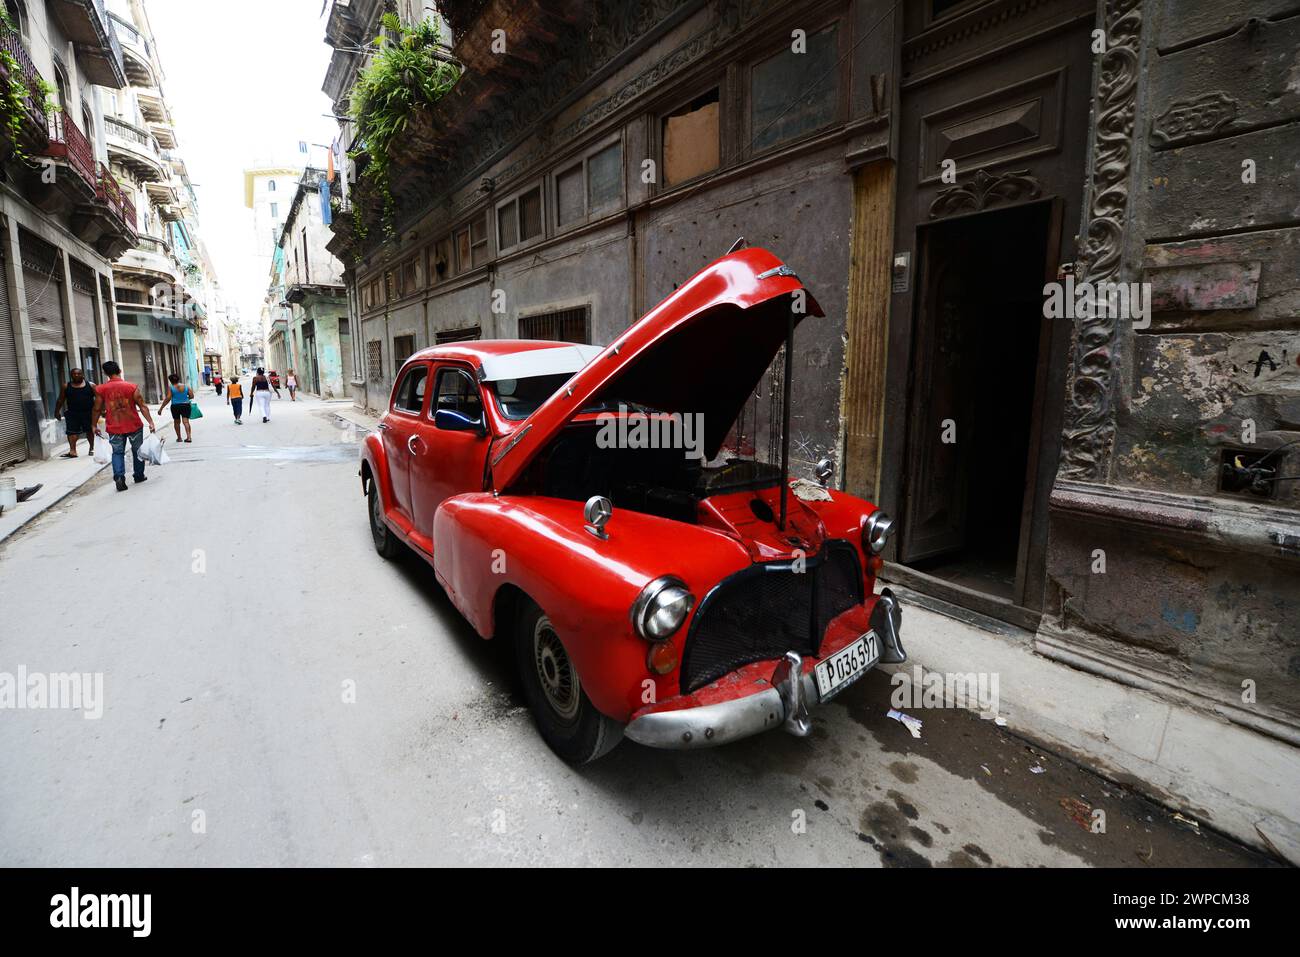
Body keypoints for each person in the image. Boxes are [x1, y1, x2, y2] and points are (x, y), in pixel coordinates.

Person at [91, 360, 156, 492]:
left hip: (114, 426)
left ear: (105, 373)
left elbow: (96, 409)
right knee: (137, 450)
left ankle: (119, 477)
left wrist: (94, 425)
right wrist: (150, 422)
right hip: (134, 425)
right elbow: (142, 406)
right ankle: (138, 475)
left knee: (117, 452)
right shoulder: (132, 387)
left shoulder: (101, 389)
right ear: (119, 371)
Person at [53, 368, 97, 458]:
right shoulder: (66, 386)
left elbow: (99, 398)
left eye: (78, 374)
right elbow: (61, 399)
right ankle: (73, 451)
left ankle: (92, 447)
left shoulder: (91, 385)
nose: (76, 375)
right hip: (72, 412)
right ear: (71, 375)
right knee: (71, 432)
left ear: (82, 375)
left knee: (89, 431)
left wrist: (100, 410)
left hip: (88, 412)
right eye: (74, 374)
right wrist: (57, 411)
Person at [157, 372, 194, 443]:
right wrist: (185, 398)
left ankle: (179, 438)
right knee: (186, 421)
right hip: (186, 405)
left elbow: (168, 398)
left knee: (177, 422)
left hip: (175, 406)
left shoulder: (171, 388)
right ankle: (189, 437)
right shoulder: (186, 386)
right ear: (178, 379)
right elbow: (192, 396)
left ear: (170, 381)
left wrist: (161, 408)